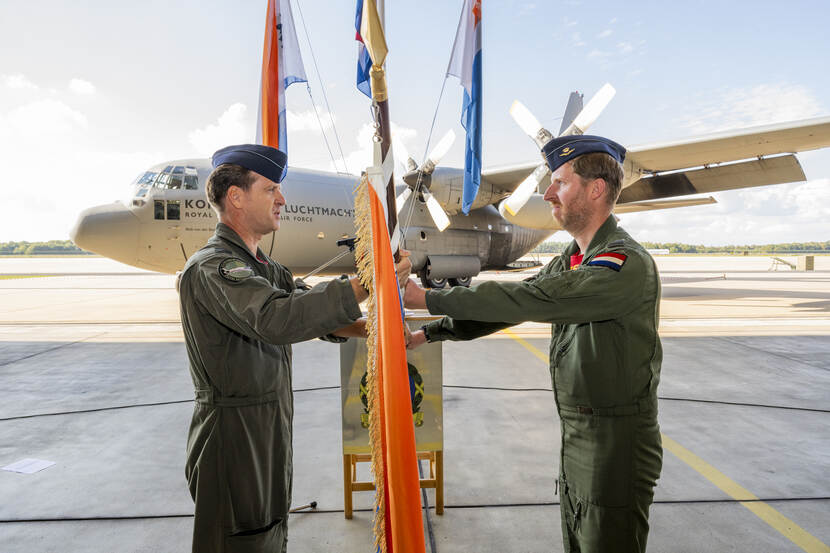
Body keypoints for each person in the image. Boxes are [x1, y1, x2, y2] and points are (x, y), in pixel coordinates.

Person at [404, 135, 663, 552]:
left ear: (596, 189)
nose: (547, 194)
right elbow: (510, 307)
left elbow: (532, 299)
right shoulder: (572, 259)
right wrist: (428, 332)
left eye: (560, 182)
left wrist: (428, 297)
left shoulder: (624, 263)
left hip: (615, 444)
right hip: (579, 436)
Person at [177, 144, 410, 553]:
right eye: (270, 190)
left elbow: (306, 309)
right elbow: (275, 318)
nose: (282, 199)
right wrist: (370, 281)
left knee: (267, 531)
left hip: (267, 426)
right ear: (236, 196)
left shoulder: (264, 268)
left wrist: (375, 329)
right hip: (232, 436)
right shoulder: (215, 267)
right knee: (239, 540)